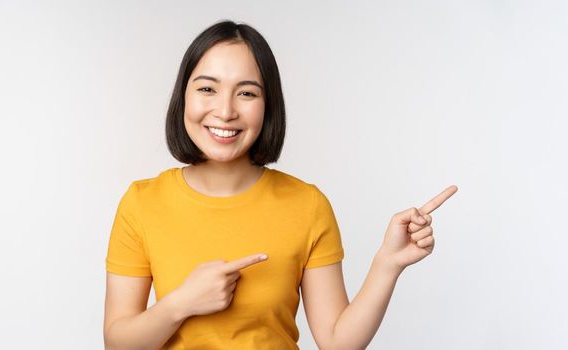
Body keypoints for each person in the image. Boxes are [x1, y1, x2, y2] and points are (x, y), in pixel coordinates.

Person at [102, 19, 457, 350]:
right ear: (183, 97)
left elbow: (336, 342)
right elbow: (117, 343)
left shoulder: (307, 204)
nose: (225, 111)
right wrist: (180, 304)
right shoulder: (142, 202)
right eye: (207, 88)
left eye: (246, 93)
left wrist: (388, 263)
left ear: (268, 106)